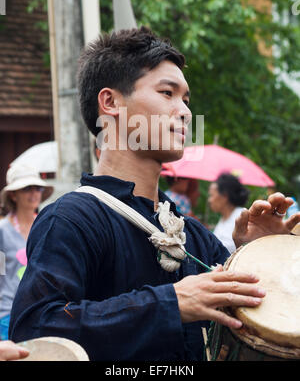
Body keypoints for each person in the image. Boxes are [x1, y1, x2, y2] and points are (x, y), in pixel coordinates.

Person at [8, 27, 300, 361]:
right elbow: (34, 330)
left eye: (186, 100)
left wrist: (259, 256)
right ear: (110, 102)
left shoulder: (192, 234)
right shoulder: (72, 219)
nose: (185, 111)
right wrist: (169, 304)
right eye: (167, 93)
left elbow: (253, 333)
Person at [0, 163, 53, 340]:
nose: (34, 193)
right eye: (27, 188)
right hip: (8, 313)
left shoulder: (48, 226)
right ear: (13, 195)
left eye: (37, 188)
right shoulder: (2, 231)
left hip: (42, 312)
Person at [208, 173, 249, 254]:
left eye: (212, 195)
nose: (209, 200)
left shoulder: (241, 215)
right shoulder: (224, 218)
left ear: (224, 196)